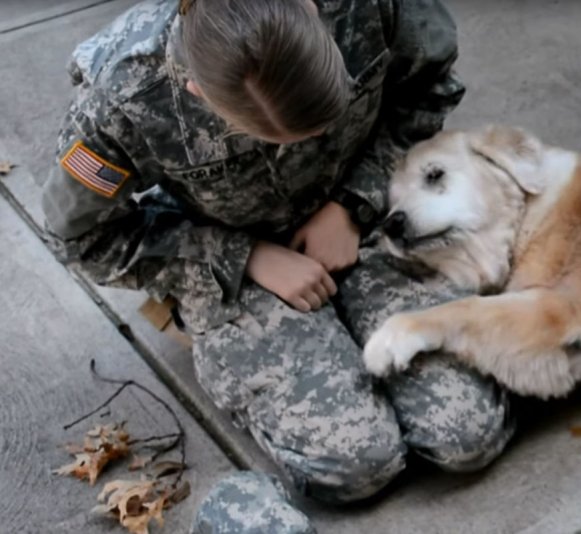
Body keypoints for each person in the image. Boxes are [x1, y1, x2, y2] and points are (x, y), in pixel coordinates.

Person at [39, 0, 515, 531]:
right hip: (234, 263)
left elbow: (428, 90)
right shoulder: (125, 96)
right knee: (358, 467)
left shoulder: (371, 6)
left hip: (367, 219)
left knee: (468, 433)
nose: (307, 145)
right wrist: (244, 258)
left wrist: (353, 205)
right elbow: (82, 237)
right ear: (198, 92)